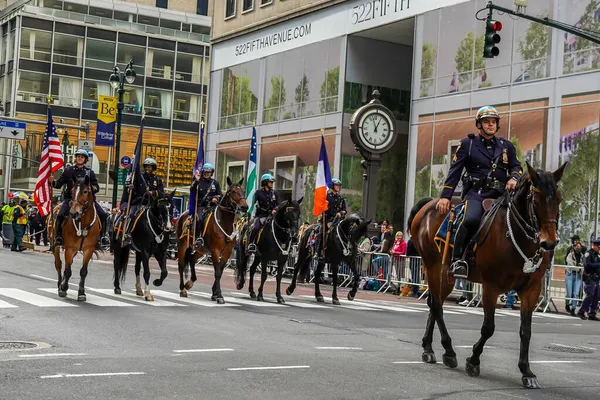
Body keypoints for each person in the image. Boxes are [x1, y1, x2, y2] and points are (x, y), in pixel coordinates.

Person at [436, 105, 523, 279]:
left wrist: (513, 178)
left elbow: (516, 166)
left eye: (493, 122)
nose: (490, 125)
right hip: (476, 194)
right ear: (479, 124)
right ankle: (458, 261)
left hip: (500, 195)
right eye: (486, 122)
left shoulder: (506, 146)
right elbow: (455, 171)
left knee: (519, 221)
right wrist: (445, 197)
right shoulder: (468, 144)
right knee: (471, 219)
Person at [50, 149, 107, 250]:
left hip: (87, 201)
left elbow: (96, 187)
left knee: (103, 215)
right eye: (78, 156)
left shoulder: (90, 172)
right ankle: (58, 237)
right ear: (75, 158)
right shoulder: (68, 170)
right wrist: (52, 182)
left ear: (85, 159)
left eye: (82, 157)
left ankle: (102, 237)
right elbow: (59, 184)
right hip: (71, 200)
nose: (80, 158)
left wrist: (91, 188)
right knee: (60, 215)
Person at [119, 158, 165, 246]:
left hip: (151, 204)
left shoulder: (157, 180)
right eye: (146, 167)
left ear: (153, 168)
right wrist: (130, 187)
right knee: (131, 215)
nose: (147, 168)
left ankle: (163, 236)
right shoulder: (138, 177)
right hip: (139, 202)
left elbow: (161, 192)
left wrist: (152, 192)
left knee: (162, 216)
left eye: (150, 167)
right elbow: (132, 189)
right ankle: (127, 234)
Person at [190, 163, 222, 249]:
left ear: (211, 173)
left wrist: (216, 198)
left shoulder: (215, 183)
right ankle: (198, 238)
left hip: (213, 207)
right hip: (201, 206)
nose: (206, 173)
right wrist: (196, 181)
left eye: (208, 172)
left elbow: (220, 195)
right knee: (199, 219)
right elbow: (192, 190)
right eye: (205, 172)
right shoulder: (198, 181)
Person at [315, 178, 347, 261]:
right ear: (332, 186)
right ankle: (317, 253)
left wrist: (341, 212)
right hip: (328, 219)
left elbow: (345, 209)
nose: (338, 187)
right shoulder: (327, 196)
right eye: (337, 185)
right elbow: (321, 206)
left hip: (338, 221)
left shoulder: (341, 198)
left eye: (339, 186)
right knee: (321, 233)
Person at [247, 173, 280, 253]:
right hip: (261, 215)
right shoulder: (258, 192)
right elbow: (251, 203)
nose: (272, 183)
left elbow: (279, 204)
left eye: (272, 182)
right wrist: (249, 210)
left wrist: (275, 209)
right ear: (265, 182)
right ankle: (251, 244)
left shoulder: (274, 193)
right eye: (270, 182)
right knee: (255, 228)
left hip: (272, 216)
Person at [577, 238, 600, 321]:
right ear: (594, 245)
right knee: (589, 295)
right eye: (598, 247)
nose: (599, 249)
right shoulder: (588, 253)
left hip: (596, 279)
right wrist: (598, 265)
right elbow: (587, 264)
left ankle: (592, 313)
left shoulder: (597, 255)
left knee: (596, 296)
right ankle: (582, 311)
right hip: (590, 278)